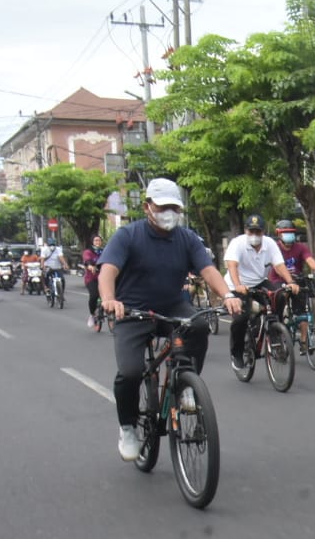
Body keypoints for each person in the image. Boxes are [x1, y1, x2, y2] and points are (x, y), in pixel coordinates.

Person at [98, 178, 242, 461]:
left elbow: (208, 270)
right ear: (147, 207)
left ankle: (186, 384)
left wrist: (227, 295)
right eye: (162, 207)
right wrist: (109, 300)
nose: (169, 213)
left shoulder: (186, 238)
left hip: (173, 306)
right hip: (132, 312)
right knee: (130, 372)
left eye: (174, 207)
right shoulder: (128, 236)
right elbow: (108, 271)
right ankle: (127, 427)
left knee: (199, 325)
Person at [224, 214, 298, 369]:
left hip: (259, 282)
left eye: (258, 232)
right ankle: (237, 353)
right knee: (240, 318)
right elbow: (232, 265)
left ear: (263, 232)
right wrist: (238, 285)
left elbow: (279, 265)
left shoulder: (270, 244)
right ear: (246, 231)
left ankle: (275, 332)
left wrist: (290, 282)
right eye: (251, 232)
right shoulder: (237, 243)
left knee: (280, 294)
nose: (254, 236)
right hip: (237, 285)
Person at [269, 219, 315, 350]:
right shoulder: (274, 248)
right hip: (278, 281)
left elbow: (309, 259)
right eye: (285, 233)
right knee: (280, 299)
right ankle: (278, 326)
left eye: (291, 233)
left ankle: (303, 342)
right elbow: (277, 267)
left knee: (303, 311)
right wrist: (287, 281)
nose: (289, 236)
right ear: (279, 234)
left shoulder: (301, 247)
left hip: (297, 281)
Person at [82, 234, 104, 327]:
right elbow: (87, 261)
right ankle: (92, 314)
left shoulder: (104, 251)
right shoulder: (88, 252)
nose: (97, 242)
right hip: (92, 278)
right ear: (92, 242)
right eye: (95, 240)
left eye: (99, 240)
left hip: (103, 278)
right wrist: (90, 266)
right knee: (94, 296)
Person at [42, 235, 68, 301]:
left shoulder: (58, 249)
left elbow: (61, 257)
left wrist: (65, 264)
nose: (52, 246)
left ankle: (61, 293)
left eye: (53, 244)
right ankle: (47, 289)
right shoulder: (44, 249)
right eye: (50, 244)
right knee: (46, 277)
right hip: (48, 267)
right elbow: (42, 259)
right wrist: (43, 266)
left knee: (62, 280)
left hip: (57, 267)